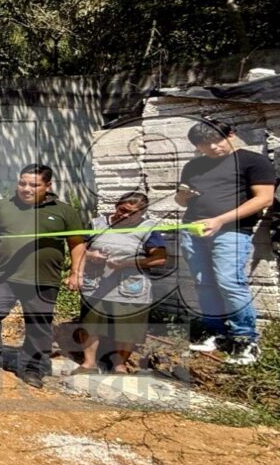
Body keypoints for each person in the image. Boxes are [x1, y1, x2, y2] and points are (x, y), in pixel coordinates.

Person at [0, 163, 87, 388]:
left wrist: (75, 273)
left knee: (38, 325)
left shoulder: (64, 211)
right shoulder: (2, 206)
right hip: (5, 276)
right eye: (22, 183)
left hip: (44, 279)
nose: (26, 188)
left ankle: (33, 369)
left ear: (48, 185)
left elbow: (77, 244)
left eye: (34, 184)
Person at [178, 118, 276, 366]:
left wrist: (220, 220)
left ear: (230, 134)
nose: (212, 148)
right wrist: (182, 195)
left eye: (216, 141)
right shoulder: (193, 166)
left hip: (231, 231)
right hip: (193, 229)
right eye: (204, 145)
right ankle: (217, 333)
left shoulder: (254, 161)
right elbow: (181, 202)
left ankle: (246, 341)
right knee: (203, 283)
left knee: (229, 282)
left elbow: (263, 199)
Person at [79, 191, 168, 373]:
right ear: (116, 205)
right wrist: (91, 255)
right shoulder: (97, 223)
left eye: (132, 213)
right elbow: (78, 248)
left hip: (130, 287)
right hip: (96, 284)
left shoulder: (148, 228)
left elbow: (160, 258)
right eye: (122, 209)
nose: (125, 215)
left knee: (127, 329)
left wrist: (127, 263)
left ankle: (119, 366)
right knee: (90, 325)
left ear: (141, 213)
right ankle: (88, 364)